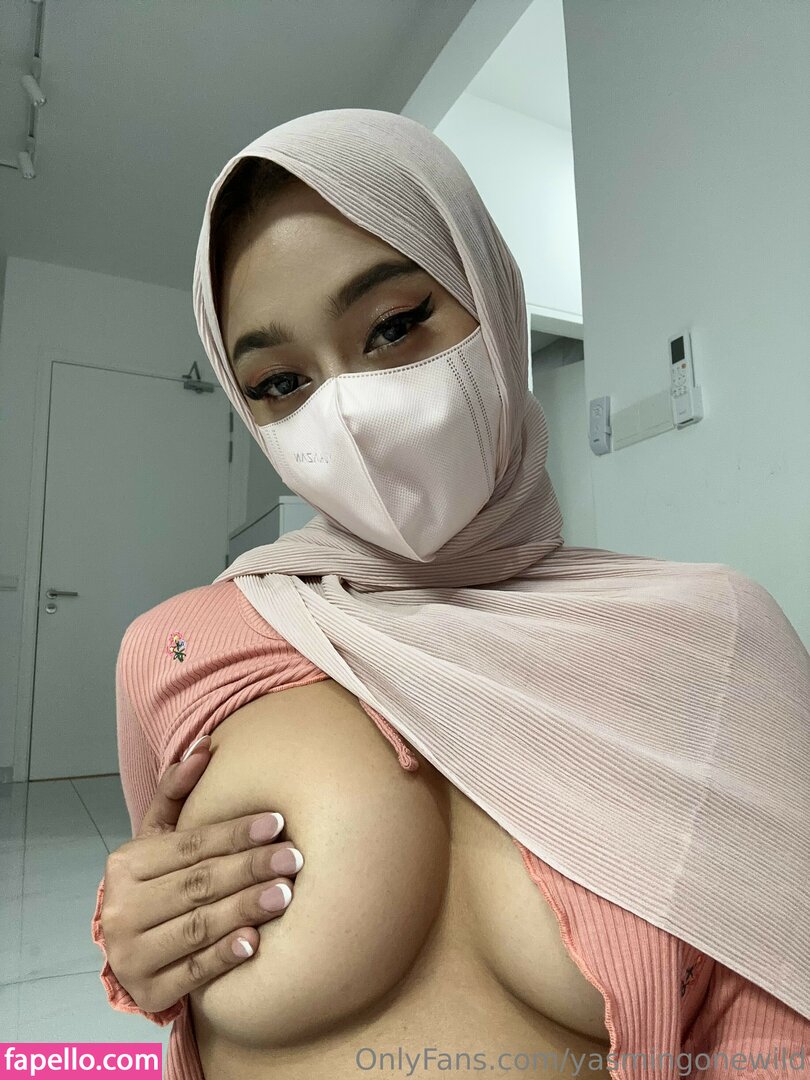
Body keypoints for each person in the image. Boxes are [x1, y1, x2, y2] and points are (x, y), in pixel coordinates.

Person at [92, 109, 810, 1080]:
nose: (349, 411)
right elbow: (171, 943)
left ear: (491, 300)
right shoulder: (178, 650)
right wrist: (138, 942)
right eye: (280, 382)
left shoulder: (716, 636)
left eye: (394, 327)